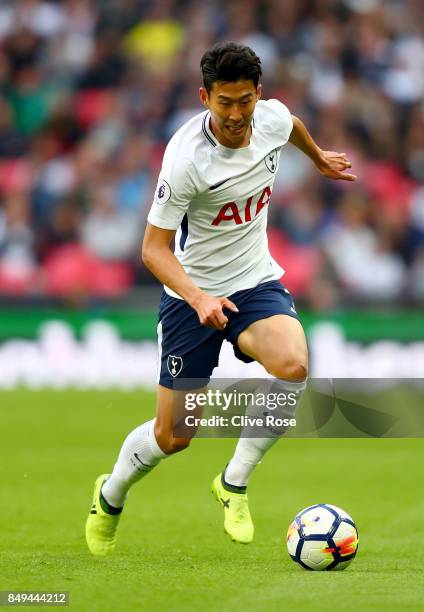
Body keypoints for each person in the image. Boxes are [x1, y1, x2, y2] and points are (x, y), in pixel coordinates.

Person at [85, 42, 356, 555]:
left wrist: (318, 158)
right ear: (204, 96)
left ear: (259, 95)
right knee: (175, 436)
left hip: (254, 281)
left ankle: (233, 483)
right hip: (191, 294)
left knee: (294, 364)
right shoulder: (185, 158)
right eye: (224, 102)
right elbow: (152, 250)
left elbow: (291, 122)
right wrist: (197, 296)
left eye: (245, 101)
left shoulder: (270, 119)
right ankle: (111, 492)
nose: (235, 115)